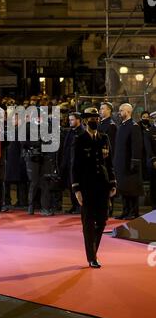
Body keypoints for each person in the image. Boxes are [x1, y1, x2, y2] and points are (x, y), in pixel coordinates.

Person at [71, 108, 116, 268]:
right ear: (85, 121)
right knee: (88, 223)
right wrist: (76, 189)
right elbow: (75, 166)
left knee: (103, 221)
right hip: (87, 187)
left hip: (102, 186)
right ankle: (92, 256)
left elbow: (109, 162)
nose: (95, 121)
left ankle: (93, 248)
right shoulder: (80, 139)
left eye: (97, 118)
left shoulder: (104, 138)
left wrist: (113, 182)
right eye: (91, 118)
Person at [113, 103, 143, 220]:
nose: (119, 113)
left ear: (128, 112)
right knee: (123, 188)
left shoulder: (133, 126)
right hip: (121, 163)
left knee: (132, 189)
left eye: (121, 111)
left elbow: (136, 146)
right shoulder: (122, 126)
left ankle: (133, 212)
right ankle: (125, 211)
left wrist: (134, 162)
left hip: (129, 163)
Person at [59, 112, 84, 214]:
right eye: (69, 120)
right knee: (70, 186)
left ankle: (80, 206)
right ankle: (74, 205)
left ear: (78, 120)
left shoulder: (82, 132)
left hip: (78, 164)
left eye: (72, 120)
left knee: (78, 186)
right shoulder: (69, 132)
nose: (70, 122)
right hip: (68, 164)